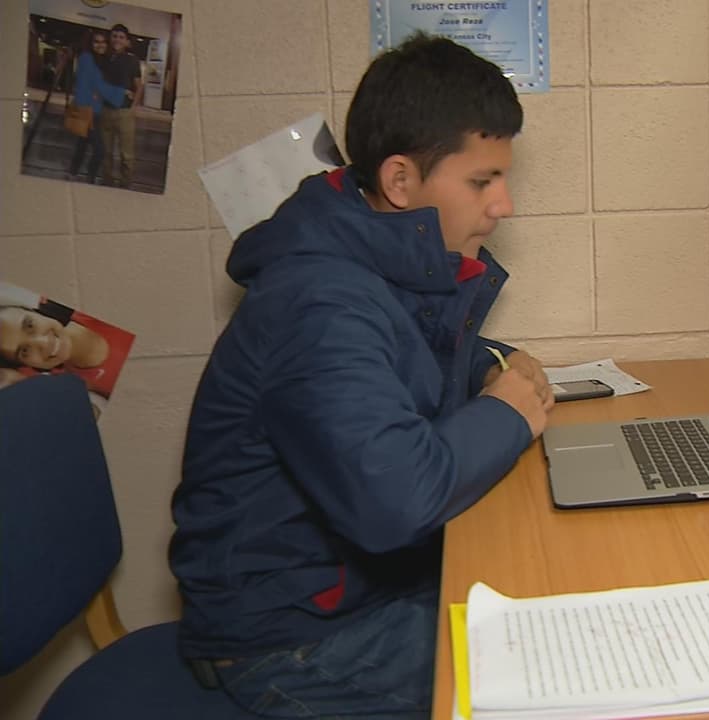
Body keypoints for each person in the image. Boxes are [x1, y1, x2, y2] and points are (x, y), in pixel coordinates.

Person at [169, 33, 553, 718]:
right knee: (551, 677)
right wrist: (508, 414)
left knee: (547, 594)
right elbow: (395, 501)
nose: (504, 206)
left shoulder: (362, 246)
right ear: (401, 181)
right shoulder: (317, 301)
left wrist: (497, 367)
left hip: (352, 593)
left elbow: (407, 358)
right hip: (294, 639)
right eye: (481, 181)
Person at [0, 302, 132, 399]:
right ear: (27, 366)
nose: (44, 343)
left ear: (36, 313)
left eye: (29, 325)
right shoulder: (70, 390)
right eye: (25, 351)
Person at [67, 29, 130, 185]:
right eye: (96, 41)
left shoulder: (99, 59)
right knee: (100, 150)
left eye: (103, 42)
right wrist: (123, 92)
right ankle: (90, 178)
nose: (100, 45)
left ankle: (72, 173)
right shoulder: (88, 58)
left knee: (82, 145)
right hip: (88, 110)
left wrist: (99, 92)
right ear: (91, 43)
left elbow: (97, 85)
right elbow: (98, 84)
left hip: (92, 109)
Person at [100, 23, 143, 188]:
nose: (117, 40)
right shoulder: (104, 58)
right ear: (110, 38)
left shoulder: (132, 60)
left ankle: (126, 185)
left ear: (126, 41)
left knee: (127, 155)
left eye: (121, 37)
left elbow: (139, 86)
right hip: (105, 111)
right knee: (106, 153)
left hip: (124, 112)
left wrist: (133, 108)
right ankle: (107, 183)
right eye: (115, 36)